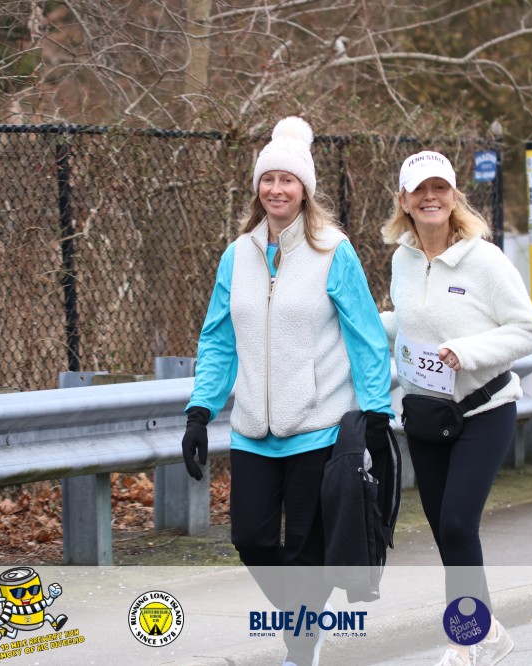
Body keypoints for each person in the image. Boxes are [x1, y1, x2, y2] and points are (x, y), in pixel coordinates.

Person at [180, 116, 394, 666]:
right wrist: (200, 411)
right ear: (258, 187)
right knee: (250, 540)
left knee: (304, 550)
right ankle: (307, 619)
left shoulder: (333, 251)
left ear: (305, 190)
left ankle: (300, 649)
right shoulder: (237, 256)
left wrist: (376, 411)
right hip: (253, 428)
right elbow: (218, 339)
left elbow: (367, 336)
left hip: (318, 426)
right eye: (268, 179)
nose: (276, 189)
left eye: (288, 180)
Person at [380, 150, 532, 666]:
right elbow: (411, 324)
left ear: (453, 197)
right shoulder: (402, 260)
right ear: (404, 200)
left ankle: (466, 640)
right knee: (447, 533)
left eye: (440, 188)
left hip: (484, 409)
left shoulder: (485, 260)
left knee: (456, 525)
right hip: (427, 414)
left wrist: (467, 352)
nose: (430, 197)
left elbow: (530, 331)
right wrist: (368, 326)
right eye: (419, 190)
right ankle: (488, 632)